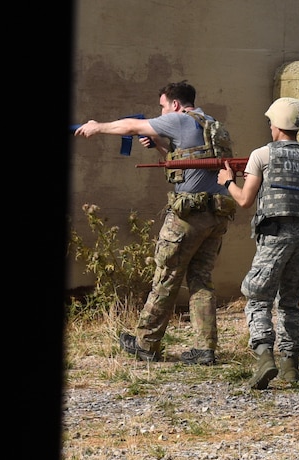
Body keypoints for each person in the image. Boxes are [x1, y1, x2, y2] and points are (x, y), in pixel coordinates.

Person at [75, 80, 233, 365]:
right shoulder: (210, 124)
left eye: (162, 107)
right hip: (215, 214)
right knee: (201, 280)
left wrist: (97, 126)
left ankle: (145, 343)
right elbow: (183, 165)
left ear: (174, 104)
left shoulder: (179, 119)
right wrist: (160, 146)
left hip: (188, 215)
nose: (160, 114)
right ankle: (205, 348)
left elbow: (131, 126)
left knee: (166, 276)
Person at [217, 97, 299, 389]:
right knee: (290, 301)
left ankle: (264, 357)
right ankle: (291, 367)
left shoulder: (262, 155)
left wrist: (227, 181)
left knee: (257, 297)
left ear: (276, 123)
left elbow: (245, 200)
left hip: (274, 234)